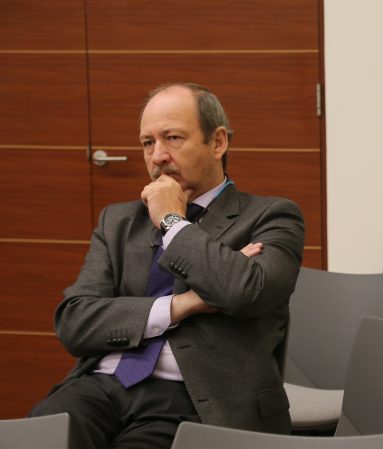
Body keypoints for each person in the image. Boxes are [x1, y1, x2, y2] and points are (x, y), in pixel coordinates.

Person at [28, 82, 305, 449]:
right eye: (148, 143)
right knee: (35, 438)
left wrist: (172, 222)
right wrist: (181, 305)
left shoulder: (271, 216)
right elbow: (74, 321)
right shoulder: (119, 221)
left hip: (196, 398)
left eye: (173, 138)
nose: (157, 156)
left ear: (218, 142)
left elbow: (244, 291)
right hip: (102, 385)